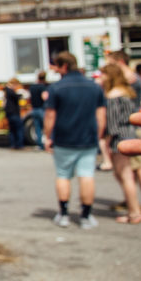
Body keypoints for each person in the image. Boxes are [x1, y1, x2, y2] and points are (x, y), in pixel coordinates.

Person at [43, 51, 107, 229]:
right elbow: (101, 115)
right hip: (88, 138)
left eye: (57, 67)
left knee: (63, 175)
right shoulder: (94, 87)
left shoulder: (56, 88)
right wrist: (99, 135)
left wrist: (47, 137)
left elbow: (50, 116)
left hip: (64, 138)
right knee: (87, 176)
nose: (56, 71)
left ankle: (63, 214)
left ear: (64, 66)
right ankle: (86, 216)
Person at [100, 64, 141, 224]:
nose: (101, 77)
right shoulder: (127, 91)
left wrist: (106, 143)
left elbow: (111, 125)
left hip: (119, 139)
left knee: (124, 176)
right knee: (129, 175)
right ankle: (134, 210)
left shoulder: (112, 96)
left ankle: (134, 212)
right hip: (131, 133)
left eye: (103, 74)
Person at [28, 71, 49, 150]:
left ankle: (39, 144)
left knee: (37, 127)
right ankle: (48, 142)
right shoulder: (42, 87)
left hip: (34, 109)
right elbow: (45, 97)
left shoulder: (32, 87)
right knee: (46, 126)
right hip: (41, 109)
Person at [3, 77, 26, 150]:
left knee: (12, 130)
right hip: (14, 113)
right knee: (18, 129)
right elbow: (16, 97)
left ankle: (13, 144)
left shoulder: (6, 91)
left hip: (9, 113)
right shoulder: (10, 91)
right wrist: (21, 95)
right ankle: (19, 144)